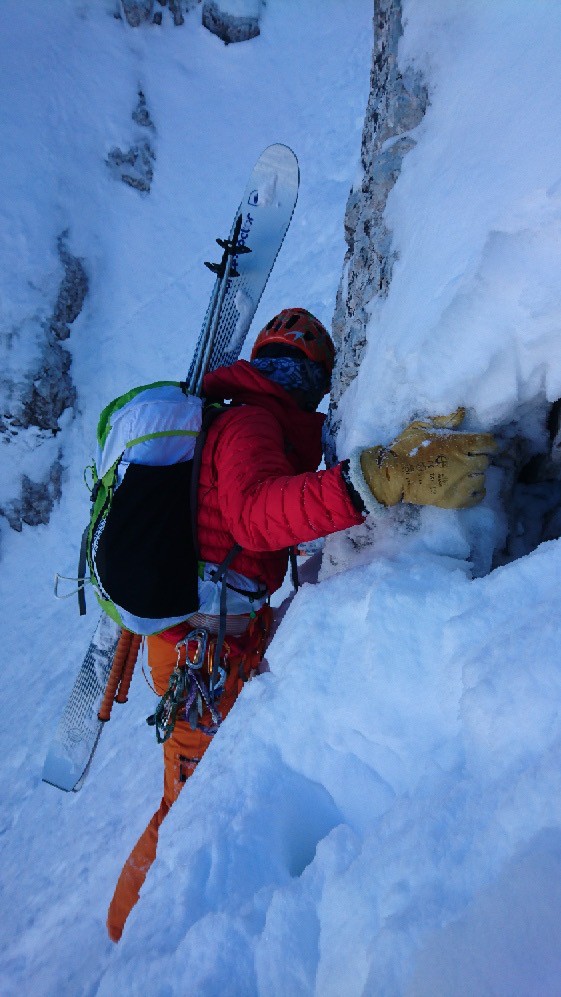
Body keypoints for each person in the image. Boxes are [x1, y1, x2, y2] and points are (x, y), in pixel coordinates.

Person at [107, 307, 496, 941]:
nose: (303, 386)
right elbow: (258, 516)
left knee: (198, 800)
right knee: (189, 813)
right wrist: (382, 477)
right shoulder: (250, 423)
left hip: (211, 642)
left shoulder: (246, 419)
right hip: (202, 656)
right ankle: (133, 938)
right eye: (303, 375)